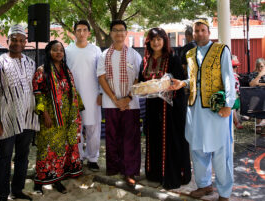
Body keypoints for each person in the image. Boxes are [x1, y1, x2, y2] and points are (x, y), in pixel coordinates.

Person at [169, 19, 236, 201]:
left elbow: (229, 78)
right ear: (192, 34)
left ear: (209, 32)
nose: (199, 33)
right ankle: (205, 185)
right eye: (196, 31)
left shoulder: (221, 50)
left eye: (203, 30)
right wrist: (182, 83)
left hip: (216, 110)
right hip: (194, 110)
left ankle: (224, 193)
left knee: (220, 152)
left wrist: (228, 104)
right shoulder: (190, 54)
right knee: (198, 149)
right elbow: (195, 81)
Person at [0, 24, 39, 201]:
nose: (17, 43)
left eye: (21, 40)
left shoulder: (31, 63)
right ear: (7, 41)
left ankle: (17, 189)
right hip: (7, 119)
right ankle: (2, 194)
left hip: (28, 119)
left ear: (25, 43)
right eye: (14, 39)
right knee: (4, 158)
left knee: (23, 157)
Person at [138, 28, 191, 189]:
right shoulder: (145, 60)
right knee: (154, 137)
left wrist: (166, 85)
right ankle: (155, 174)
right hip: (152, 107)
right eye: (153, 39)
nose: (156, 42)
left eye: (159, 39)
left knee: (171, 139)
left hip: (171, 108)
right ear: (148, 42)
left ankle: (172, 175)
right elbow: (141, 81)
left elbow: (180, 82)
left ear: (164, 41)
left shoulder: (172, 58)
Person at [32, 40, 84, 194]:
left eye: (61, 50)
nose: (59, 52)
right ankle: (39, 181)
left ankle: (57, 180)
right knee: (45, 150)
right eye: (55, 50)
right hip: (50, 118)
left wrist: (76, 112)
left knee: (61, 149)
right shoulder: (42, 70)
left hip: (66, 118)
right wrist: (45, 114)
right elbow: (38, 93)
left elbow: (73, 91)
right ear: (48, 52)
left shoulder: (66, 71)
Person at [97, 20, 142, 186]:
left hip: (131, 103)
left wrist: (127, 98)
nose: (118, 33)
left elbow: (138, 78)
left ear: (126, 33)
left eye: (121, 30)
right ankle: (113, 168)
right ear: (110, 33)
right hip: (111, 103)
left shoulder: (134, 55)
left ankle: (129, 172)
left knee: (130, 138)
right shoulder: (104, 55)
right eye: (115, 30)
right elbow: (101, 77)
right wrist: (116, 100)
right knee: (112, 137)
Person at [65, 20, 102, 171]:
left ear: (89, 33)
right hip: (73, 96)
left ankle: (92, 158)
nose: (81, 33)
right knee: (76, 129)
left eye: (84, 30)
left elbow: (101, 73)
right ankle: (78, 157)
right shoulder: (67, 50)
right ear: (74, 32)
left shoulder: (96, 50)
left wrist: (100, 92)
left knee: (93, 128)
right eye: (78, 30)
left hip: (93, 96)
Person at [249, 58, 265, 132]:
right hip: (257, 95)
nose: (260, 68)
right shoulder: (253, 74)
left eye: (261, 66)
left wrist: (258, 84)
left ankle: (262, 121)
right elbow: (252, 84)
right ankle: (259, 123)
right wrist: (259, 75)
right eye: (258, 66)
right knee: (257, 98)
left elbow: (255, 84)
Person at [231, 55, 243, 129]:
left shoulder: (235, 75)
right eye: (233, 67)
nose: (235, 68)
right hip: (232, 93)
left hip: (236, 92)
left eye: (235, 67)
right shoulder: (231, 75)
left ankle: (236, 121)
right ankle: (236, 121)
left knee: (235, 106)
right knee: (233, 107)